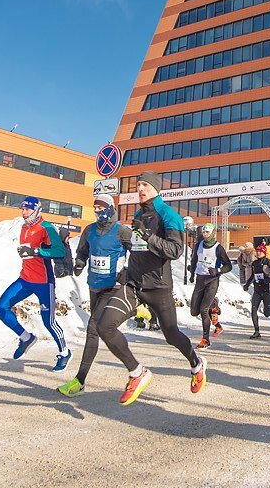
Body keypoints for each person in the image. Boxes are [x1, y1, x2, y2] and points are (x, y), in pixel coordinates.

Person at [84, 172, 206, 405]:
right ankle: (137, 372)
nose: (140, 188)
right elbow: (136, 247)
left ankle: (196, 363)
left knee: (171, 335)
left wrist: (149, 237)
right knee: (104, 326)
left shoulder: (169, 215)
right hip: (133, 283)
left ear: (156, 188)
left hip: (158, 286)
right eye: (138, 185)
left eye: (145, 185)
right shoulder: (139, 214)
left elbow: (175, 251)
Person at [57, 194, 133, 396]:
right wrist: (80, 263)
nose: (98, 211)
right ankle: (135, 368)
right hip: (94, 286)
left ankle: (80, 380)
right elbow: (82, 251)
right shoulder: (89, 230)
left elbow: (139, 253)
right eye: (95, 208)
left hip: (113, 287)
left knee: (93, 328)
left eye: (101, 208)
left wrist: (127, 270)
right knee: (100, 330)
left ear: (110, 208)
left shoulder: (122, 231)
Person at [0, 197, 72, 372]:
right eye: (22, 209)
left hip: (44, 282)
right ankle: (26, 338)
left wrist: (36, 251)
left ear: (37, 210)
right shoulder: (24, 227)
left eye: (27, 210)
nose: (24, 213)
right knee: (0, 308)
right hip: (25, 279)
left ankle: (64, 352)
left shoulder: (47, 227)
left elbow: (58, 251)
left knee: (48, 322)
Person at [188, 222, 232, 348]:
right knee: (194, 311)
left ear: (212, 233)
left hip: (212, 280)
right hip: (200, 279)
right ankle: (213, 304)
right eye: (204, 232)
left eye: (207, 232)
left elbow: (228, 266)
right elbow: (194, 260)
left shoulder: (218, 248)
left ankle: (205, 340)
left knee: (203, 310)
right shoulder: (198, 245)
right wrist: (191, 273)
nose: (205, 234)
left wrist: (218, 270)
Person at [244, 242, 270, 338]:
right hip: (257, 290)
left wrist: (266, 280)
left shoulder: (268, 261)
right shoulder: (255, 263)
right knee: (253, 309)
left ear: (264, 252)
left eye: (260, 251)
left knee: (266, 313)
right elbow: (252, 275)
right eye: (257, 251)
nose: (258, 252)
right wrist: (247, 284)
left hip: (267, 289)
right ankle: (256, 331)